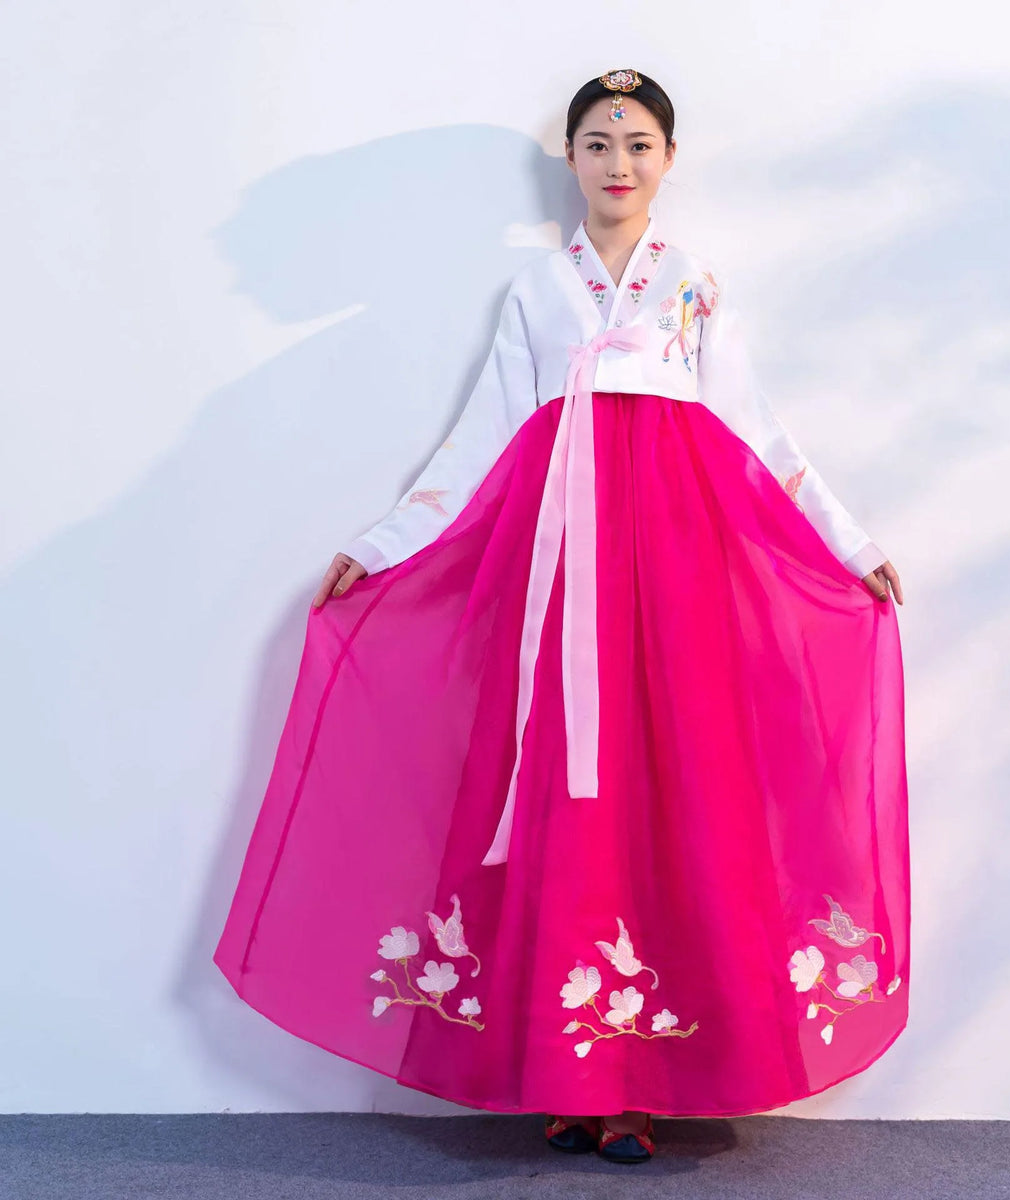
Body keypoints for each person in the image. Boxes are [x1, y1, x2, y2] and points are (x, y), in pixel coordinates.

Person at [213, 68, 910, 1166]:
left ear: (668, 160)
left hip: (678, 569)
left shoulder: (693, 285)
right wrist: (383, 544)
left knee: (678, 783)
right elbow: (481, 435)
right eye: (596, 143)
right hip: (557, 569)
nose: (617, 163)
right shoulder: (540, 292)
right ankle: (573, 1074)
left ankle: (654, 1080)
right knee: (560, 793)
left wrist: (849, 544)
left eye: (637, 145)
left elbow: (757, 430)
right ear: (571, 159)